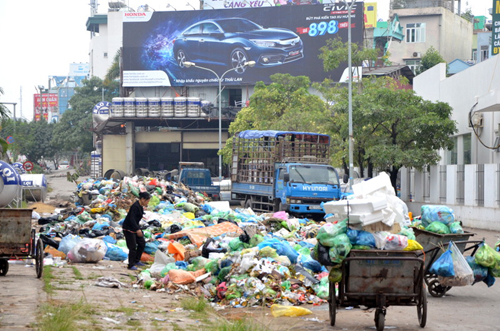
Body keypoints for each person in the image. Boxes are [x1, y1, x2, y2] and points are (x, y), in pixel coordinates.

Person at [123, 191, 150, 270]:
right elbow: (132, 219)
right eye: (147, 200)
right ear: (142, 199)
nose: (147, 202)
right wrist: (137, 229)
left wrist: (139, 229)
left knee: (142, 243)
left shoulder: (140, 206)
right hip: (128, 228)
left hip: (135, 227)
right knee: (133, 247)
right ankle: (130, 265)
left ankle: (136, 260)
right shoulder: (135, 206)